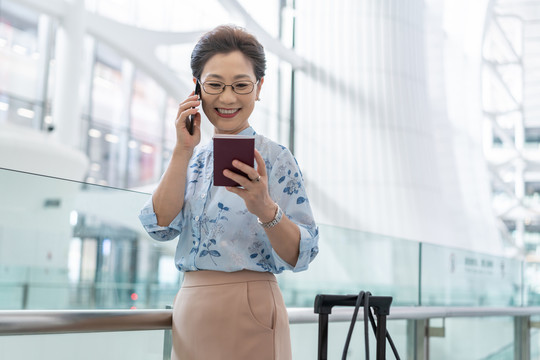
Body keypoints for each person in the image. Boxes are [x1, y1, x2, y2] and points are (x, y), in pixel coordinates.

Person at [139, 24, 319, 360]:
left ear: (259, 87)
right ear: (197, 87)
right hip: (191, 308)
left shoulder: (276, 158)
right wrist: (182, 150)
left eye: (240, 85)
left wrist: (265, 208)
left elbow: (303, 253)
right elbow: (159, 225)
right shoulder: (189, 157)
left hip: (251, 306)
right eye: (215, 84)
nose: (227, 97)